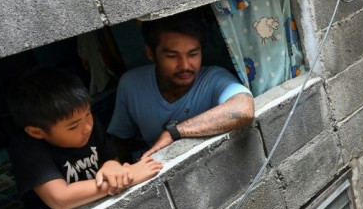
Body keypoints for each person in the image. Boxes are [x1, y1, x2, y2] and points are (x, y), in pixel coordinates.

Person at [7, 68, 163, 209]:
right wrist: (128, 178)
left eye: (88, 113)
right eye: (73, 126)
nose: (87, 127)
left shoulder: (86, 123)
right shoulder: (26, 148)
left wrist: (111, 166)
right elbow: (60, 198)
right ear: (37, 132)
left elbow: (110, 158)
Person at [107, 13, 255, 158]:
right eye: (172, 56)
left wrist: (174, 132)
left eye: (193, 54)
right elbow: (119, 141)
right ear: (150, 53)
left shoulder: (213, 79)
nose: (184, 65)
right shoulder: (131, 85)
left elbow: (244, 109)